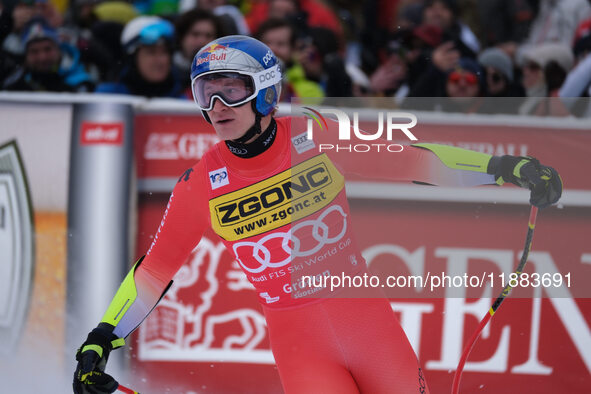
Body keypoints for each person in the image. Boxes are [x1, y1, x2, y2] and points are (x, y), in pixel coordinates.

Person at [72, 35, 563, 394]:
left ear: (265, 89)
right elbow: (155, 271)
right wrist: (100, 339)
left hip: (368, 327)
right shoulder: (201, 181)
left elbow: (416, 159)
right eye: (206, 93)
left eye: (231, 90)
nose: (218, 105)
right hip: (300, 346)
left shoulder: (312, 134)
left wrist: (504, 167)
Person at [94, 16, 185, 98]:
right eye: (151, 52)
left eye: (165, 52)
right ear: (133, 59)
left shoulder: (186, 103)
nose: (160, 60)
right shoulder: (107, 97)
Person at [3, 17, 94, 92]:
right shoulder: (15, 80)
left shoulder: (81, 82)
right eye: (34, 51)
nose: (42, 57)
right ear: (26, 55)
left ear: (59, 49)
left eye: (48, 49)